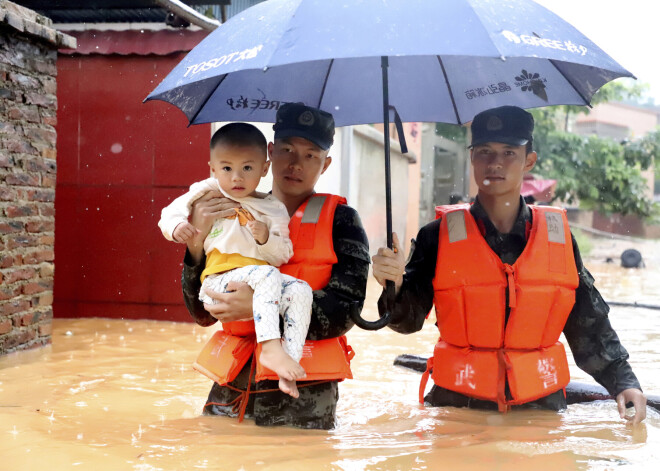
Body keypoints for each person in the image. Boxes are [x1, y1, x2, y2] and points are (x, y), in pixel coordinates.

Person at [372, 105, 647, 424]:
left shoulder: (558, 238)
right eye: (485, 151)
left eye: (509, 152)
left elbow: (587, 321)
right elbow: (406, 322)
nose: (496, 163)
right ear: (472, 157)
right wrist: (394, 284)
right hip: (456, 411)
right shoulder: (437, 237)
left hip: (539, 410)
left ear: (529, 160)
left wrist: (623, 382)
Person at [180, 103, 370, 429]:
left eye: (310, 155)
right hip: (231, 394)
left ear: (326, 164)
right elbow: (199, 313)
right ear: (270, 153)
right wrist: (194, 243)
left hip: (302, 402)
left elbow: (346, 310)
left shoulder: (343, 221)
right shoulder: (230, 209)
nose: (296, 164)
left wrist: (258, 306)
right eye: (287, 150)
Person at [159, 122, 312, 398]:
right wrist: (177, 227)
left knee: (301, 290)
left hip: (259, 282)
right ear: (213, 169)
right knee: (268, 276)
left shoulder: (272, 208)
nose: (236, 177)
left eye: (248, 168)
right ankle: (271, 347)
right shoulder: (206, 192)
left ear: (264, 169)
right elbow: (170, 212)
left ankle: (287, 366)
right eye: (227, 168)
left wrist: (265, 238)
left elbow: (282, 254)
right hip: (218, 284)